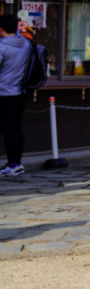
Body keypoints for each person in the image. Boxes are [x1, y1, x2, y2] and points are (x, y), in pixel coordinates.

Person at [0, 14, 33, 177]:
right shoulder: (26, 44)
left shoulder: (2, 47)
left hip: (4, 93)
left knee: (8, 130)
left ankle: (12, 165)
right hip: (20, 92)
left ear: (1, 29)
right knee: (17, 128)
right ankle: (17, 163)